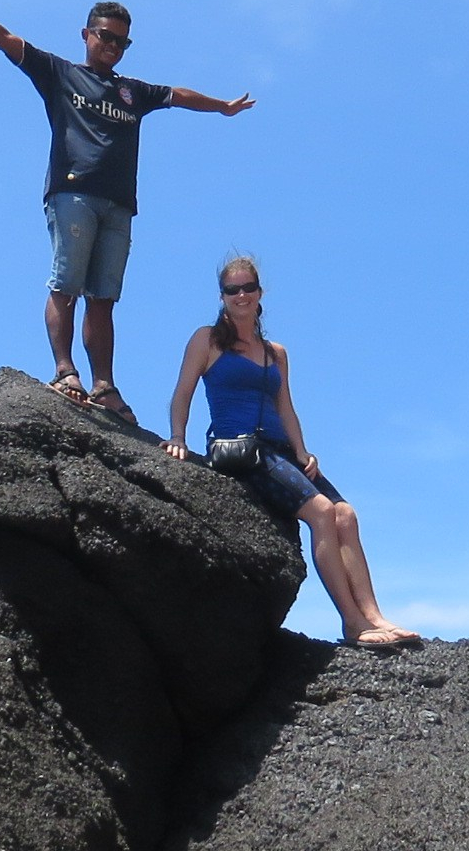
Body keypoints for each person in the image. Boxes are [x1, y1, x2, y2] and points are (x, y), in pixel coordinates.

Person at [0, 0, 254, 424]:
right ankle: (64, 370)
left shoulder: (132, 92)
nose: (112, 46)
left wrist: (222, 107)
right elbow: (3, 38)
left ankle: (104, 386)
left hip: (119, 204)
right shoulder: (60, 74)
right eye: (105, 36)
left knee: (104, 298)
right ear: (86, 34)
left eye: (121, 42)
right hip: (73, 194)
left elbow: (178, 95)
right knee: (66, 284)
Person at [164, 256, 419, 650]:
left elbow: (285, 408)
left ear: (259, 293)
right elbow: (183, 392)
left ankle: (374, 615)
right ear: (222, 296)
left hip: (280, 449)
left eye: (248, 287)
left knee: (346, 515)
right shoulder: (208, 340)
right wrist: (177, 437)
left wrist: (302, 451)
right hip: (242, 450)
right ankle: (352, 623)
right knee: (321, 511)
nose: (241, 295)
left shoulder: (275, 353)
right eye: (233, 290)